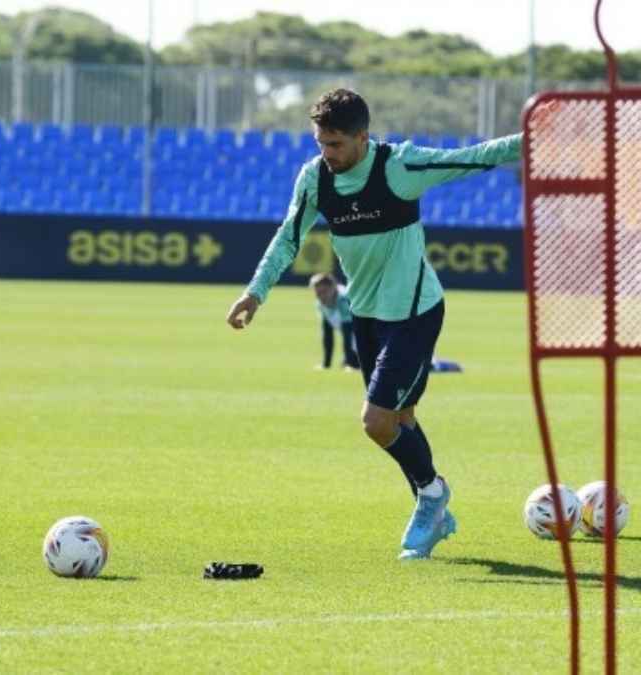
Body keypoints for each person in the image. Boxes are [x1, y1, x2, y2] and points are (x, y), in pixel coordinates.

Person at [226, 88, 548, 559]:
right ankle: (434, 507)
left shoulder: (399, 167)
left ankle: (433, 496)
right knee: (401, 419)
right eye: (320, 143)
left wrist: (540, 134)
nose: (326, 154)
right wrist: (256, 292)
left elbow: (477, 156)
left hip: (415, 312)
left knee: (375, 422)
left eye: (334, 144)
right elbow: (287, 238)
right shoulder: (316, 178)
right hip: (367, 315)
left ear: (362, 136)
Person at [310, 273, 359, 371]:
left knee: (352, 363)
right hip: (355, 343)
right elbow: (328, 335)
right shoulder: (320, 304)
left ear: (333, 288)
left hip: (369, 342)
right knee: (346, 362)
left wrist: (349, 364)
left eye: (324, 291)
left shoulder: (344, 300)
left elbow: (347, 333)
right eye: (318, 293)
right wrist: (326, 364)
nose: (321, 296)